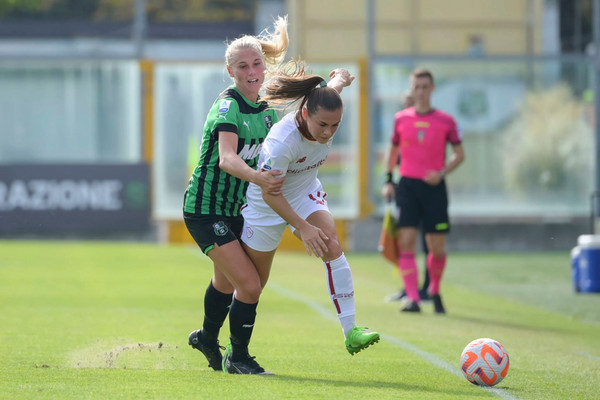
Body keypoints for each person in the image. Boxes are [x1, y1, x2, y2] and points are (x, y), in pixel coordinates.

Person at [239, 64, 380, 357]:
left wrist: (340, 79)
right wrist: (303, 228)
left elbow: (332, 90)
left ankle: (351, 331)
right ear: (305, 114)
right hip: (266, 205)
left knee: (332, 246)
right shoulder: (282, 142)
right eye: (322, 125)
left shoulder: (324, 105)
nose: (328, 132)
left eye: (335, 126)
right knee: (251, 285)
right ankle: (226, 341)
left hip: (303, 192)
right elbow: (270, 193)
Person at [183, 16, 289, 375]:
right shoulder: (227, 107)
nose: (252, 71)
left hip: (236, 211)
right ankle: (238, 358)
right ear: (230, 71)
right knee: (250, 285)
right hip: (205, 209)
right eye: (243, 66)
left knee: (226, 282)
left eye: (256, 63)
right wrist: (259, 178)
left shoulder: (266, 111)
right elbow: (227, 159)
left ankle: (206, 338)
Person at [382, 68, 465, 314]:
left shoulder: (446, 121)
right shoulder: (401, 119)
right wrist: (389, 180)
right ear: (412, 89)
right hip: (408, 186)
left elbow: (459, 155)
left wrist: (442, 173)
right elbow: (392, 152)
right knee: (406, 242)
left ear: (432, 89)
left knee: (436, 247)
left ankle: (435, 290)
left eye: (424, 87)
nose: (420, 91)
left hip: (434, 189)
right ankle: (413, 299)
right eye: (416, 87)